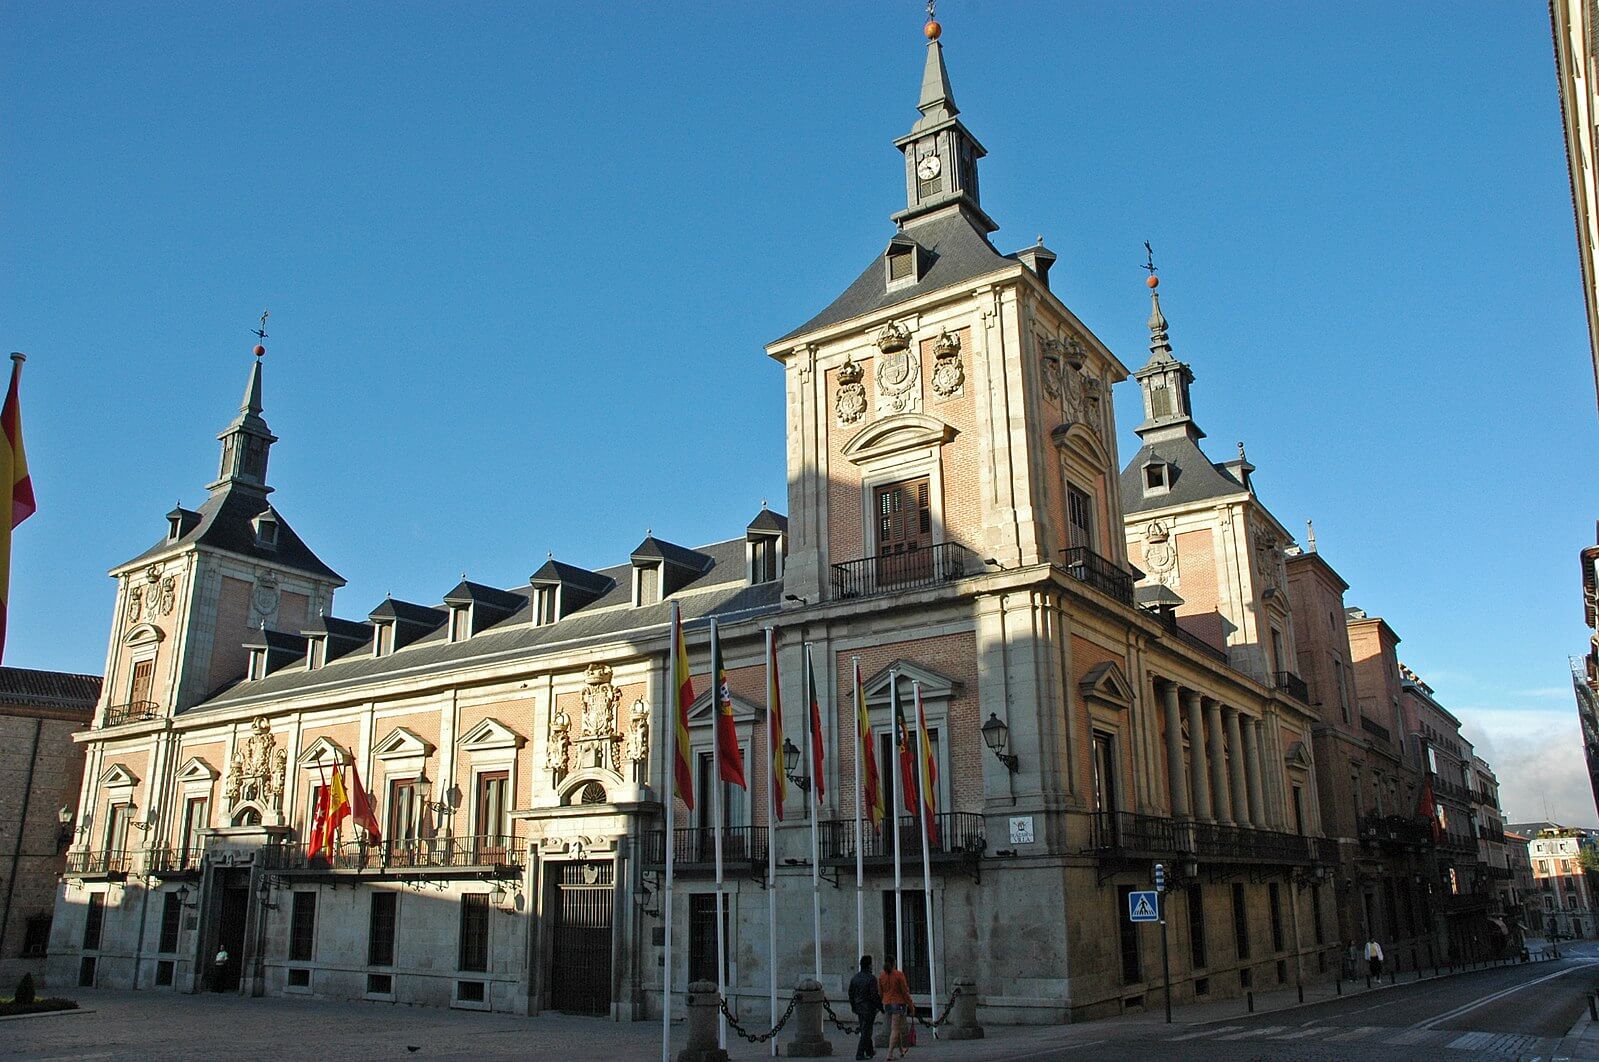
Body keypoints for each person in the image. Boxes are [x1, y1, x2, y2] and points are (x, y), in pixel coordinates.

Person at [847, 954, 882, 1060]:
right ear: (869, 965)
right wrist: (880, 1007)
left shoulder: (855, 978)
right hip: (868, 1008)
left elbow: (851, 994)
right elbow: (874, 995)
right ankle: (860, 1053)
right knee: (866, 1031)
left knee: (865, 1028)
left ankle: (869, 1050)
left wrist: (853, 1006)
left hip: (859, 1007)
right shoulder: (871, 979)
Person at [878, 955, 913, 1060]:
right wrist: (911, 1005)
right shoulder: (898, 975)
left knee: (900, 1027)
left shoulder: (881, 976)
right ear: (894, 963)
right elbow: (905, 992)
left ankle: (901, 1049)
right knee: (895, 1029)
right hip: (898, 1003)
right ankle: (889, 1054)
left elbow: (880, 992)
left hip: (887, 1003)